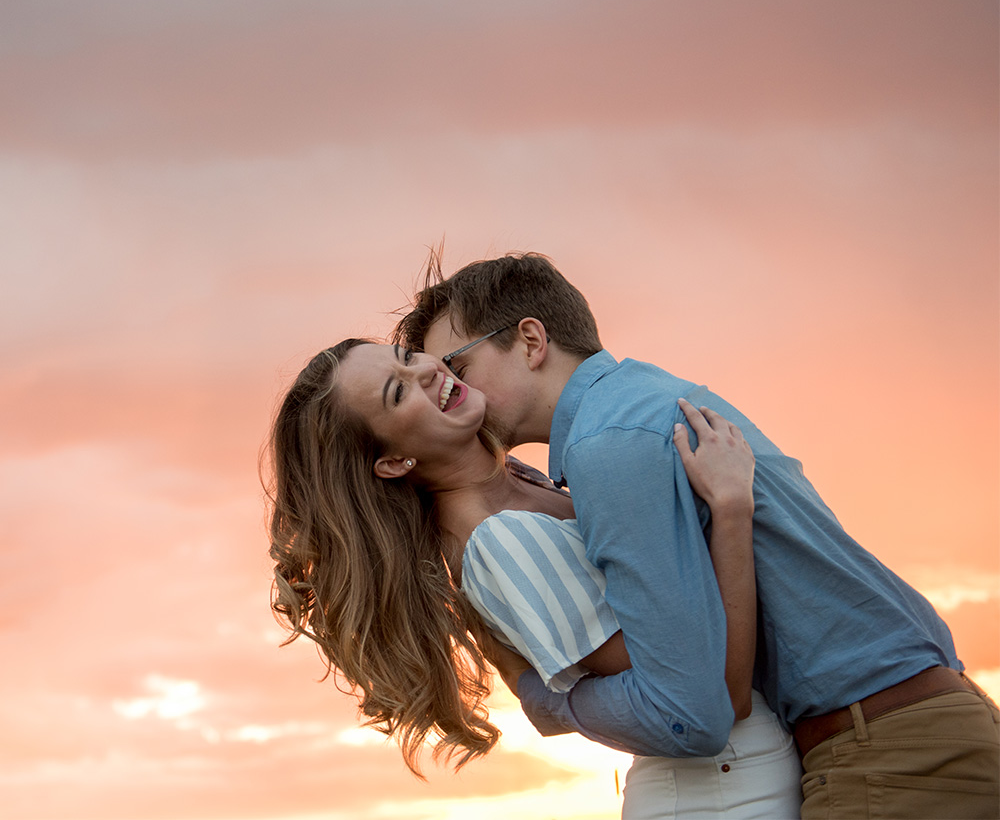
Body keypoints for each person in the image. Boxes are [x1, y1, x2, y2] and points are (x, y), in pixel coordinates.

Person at [395, 251, 1000, 820]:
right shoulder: (648, 401)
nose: (452, 389)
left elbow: (692, 707)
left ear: (530, 341)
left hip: (890, 756)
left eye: (456, 365)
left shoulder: (607, 446)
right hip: (917, 724)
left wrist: (544, 698)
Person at [266, 338, 803, 817]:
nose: (426, 372)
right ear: (393, 461)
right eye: (398, 393)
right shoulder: (501, 543)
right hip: (726, 794)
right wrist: (732, 509)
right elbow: (711, 698)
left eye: (409, 358)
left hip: (745, 774)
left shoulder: (522, 480)